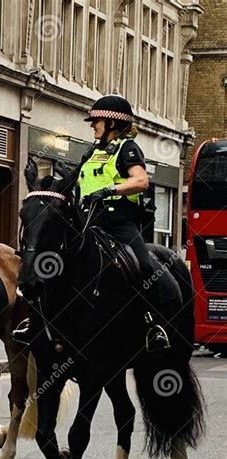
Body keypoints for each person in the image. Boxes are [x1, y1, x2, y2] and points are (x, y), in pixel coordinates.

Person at [13, 95, 169, 353]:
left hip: (119, 224)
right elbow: (77, 183)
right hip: (88, 221)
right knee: (53, 262)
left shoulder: (127, 149)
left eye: (95, 120)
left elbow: (141, 181)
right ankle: (37, 322)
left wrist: (109, 190)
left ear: (111, 123)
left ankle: (153, 324)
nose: (92, 125)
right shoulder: (92, 151)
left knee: (143, 266)